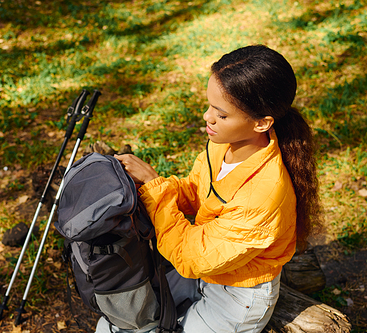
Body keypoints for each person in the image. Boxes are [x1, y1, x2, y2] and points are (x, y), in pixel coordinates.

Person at [100, 44, 321, 333]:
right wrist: (151, 185)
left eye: (222, 114)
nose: (207, 117)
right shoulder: (226, 145)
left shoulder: (263, 193)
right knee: (117, 322)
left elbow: (191, 257)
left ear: (261, 123)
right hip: (208, 271)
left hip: (237, 299)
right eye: (209, 106)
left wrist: (155, 188)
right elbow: (196, 192)